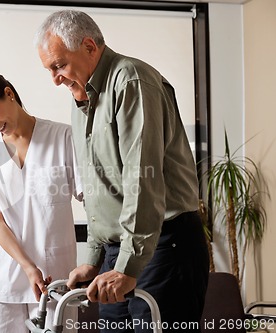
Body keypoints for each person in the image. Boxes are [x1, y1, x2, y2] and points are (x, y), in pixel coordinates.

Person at [35, 10, 209, 333]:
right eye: (50, 70)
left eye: (59, 66)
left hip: (164, 247)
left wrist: (128, 265)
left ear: (89, 47)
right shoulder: (82, 99)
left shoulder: (131, 81)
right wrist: (94, 257)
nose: (55, 79)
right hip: (123, 250)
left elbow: (142, 182)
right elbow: (98, 188)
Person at [0, 70, 82, 333]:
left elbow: (92, 200)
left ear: (9, 94)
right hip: (4, 276)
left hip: (56, 275)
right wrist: (28, 266)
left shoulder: (64, 138)